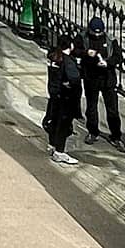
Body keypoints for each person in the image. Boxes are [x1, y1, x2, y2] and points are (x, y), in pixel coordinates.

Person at [80, 16, 125, 148]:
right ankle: (93, 131)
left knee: (112, 109)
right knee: (91, 107)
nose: (97, 35)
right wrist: (86, 53)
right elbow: (76, 50)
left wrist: (107, 63)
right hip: (91, 77)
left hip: (107, 79)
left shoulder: (110, 40)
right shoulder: (83, 38)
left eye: (99, 33)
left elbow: (118, 57)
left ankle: (116, 136)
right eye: (94, 33)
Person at [44, 32, 81, 165]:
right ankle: (59, 152)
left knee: (54, 120)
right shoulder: (67, 61)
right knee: (63, 125)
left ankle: (52, 144)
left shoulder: (54, 57)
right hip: (66, 98)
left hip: (55, 95)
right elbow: (74, 78)